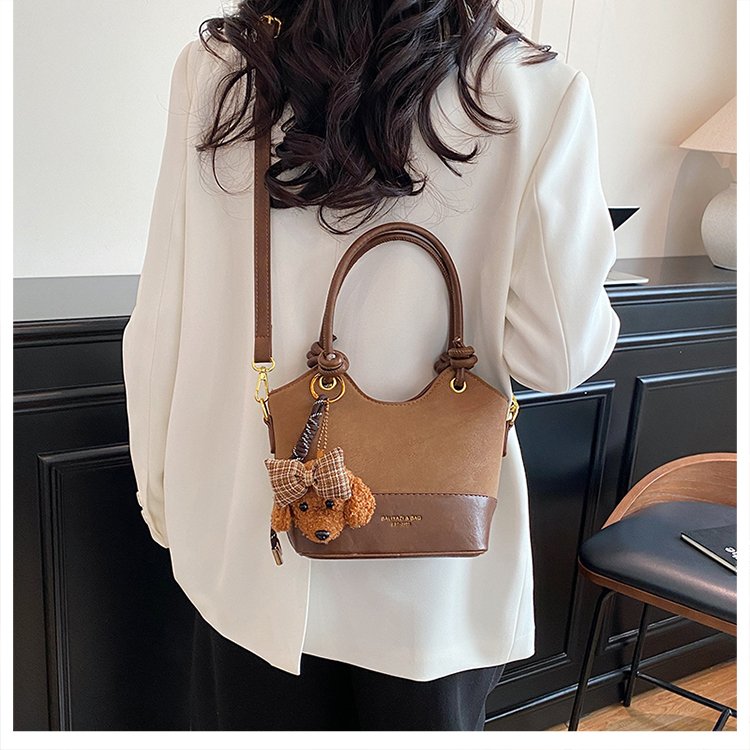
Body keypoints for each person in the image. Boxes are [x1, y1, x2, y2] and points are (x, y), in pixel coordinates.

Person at [122, 0, 620, 732]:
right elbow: (559, 355)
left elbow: (162, 314)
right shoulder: (525, 88)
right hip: (429, 579)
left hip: (248, 546)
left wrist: (164, 504)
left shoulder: (222, 70)